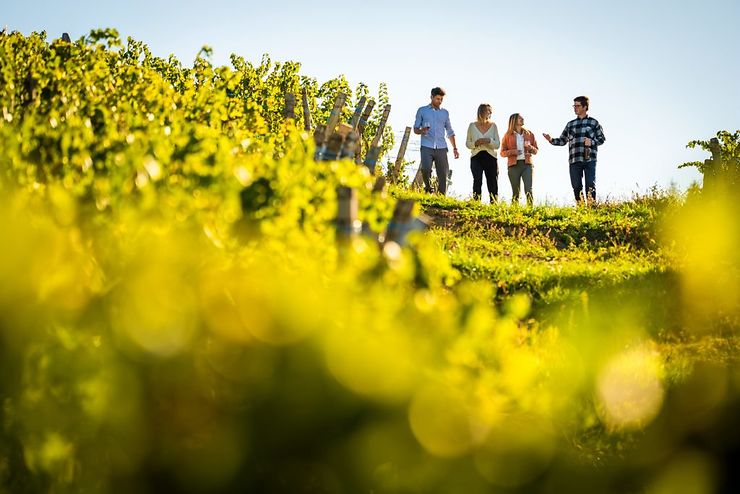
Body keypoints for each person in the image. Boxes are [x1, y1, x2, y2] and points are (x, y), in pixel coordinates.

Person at [543, 95, 606, 204]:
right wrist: (551, 140)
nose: (575, 108)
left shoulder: (594, 123)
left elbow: (601, 139)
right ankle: (580, 207)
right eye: (574, 106)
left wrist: (591, 142)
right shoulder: (570, 124)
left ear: (585, 107)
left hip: (589, 159)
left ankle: (592, 207)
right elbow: (563, 140)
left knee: (590, 184)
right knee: (576, 186)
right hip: (574, 160)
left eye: (577, 106)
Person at [414, 87, 459, 195]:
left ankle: (441, 197)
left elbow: (450, 131)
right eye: (437, 99)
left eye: (441, 99)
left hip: (441, 147)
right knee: (425, 169)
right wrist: (422, 131)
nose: (439, 101)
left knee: (443, 174)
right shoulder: (422, 110)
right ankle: (428, 188)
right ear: (431, 97)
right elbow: (415, 129)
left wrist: (455, 148)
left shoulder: (445, 113)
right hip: (426, 145)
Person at [500, 113, 538, 206]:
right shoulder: (507, 135)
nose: (522, 119)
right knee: (516, 191)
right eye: (520, 118)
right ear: (514, 121)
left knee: (528, 189)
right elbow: (502, 153)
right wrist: (513, 152)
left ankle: (530, 211)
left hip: (527, 165)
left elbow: (536, 150)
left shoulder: (529, 134)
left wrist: (530, 148)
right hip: (513, 166)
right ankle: (514, 211)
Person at [465, 103, 500, 202]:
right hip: (476, 156)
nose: (490, 113)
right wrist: (475, 143)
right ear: (482, 111)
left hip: (490, 156)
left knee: (492, 181)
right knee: (477, 180)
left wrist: (489, 141)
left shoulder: (493, 126)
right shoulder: (472, 126)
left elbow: (497, 145)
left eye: (491, 111)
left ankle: (494, 204)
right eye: (488, 110)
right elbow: (468, 143)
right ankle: (476, 203)